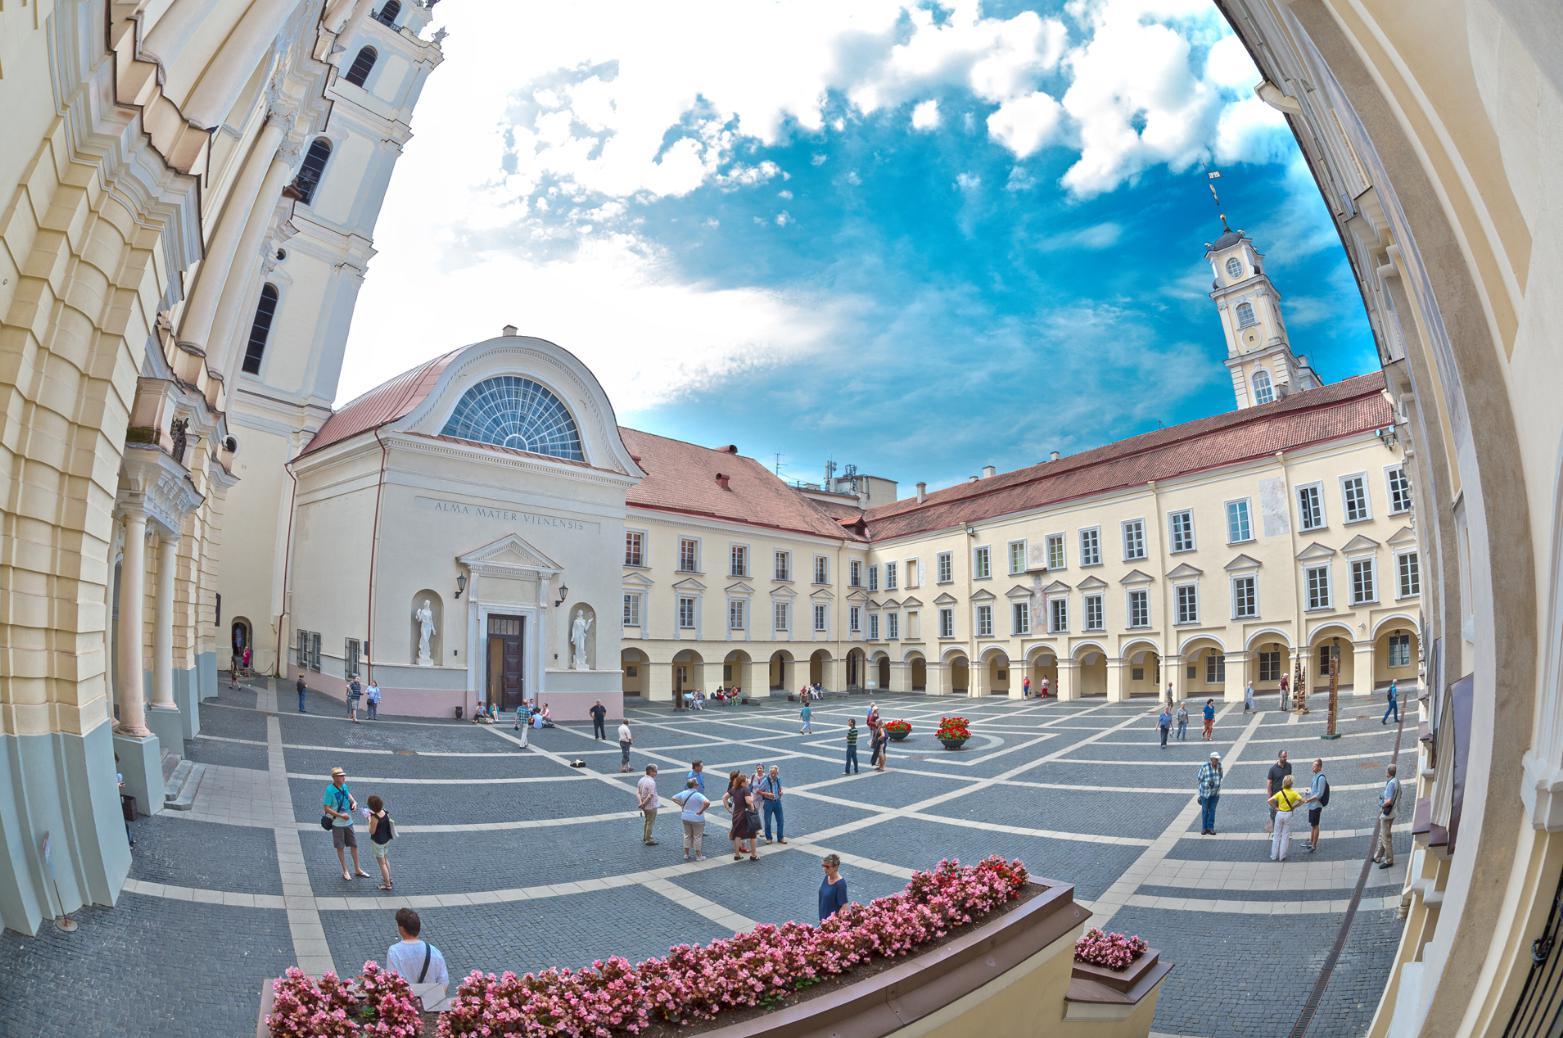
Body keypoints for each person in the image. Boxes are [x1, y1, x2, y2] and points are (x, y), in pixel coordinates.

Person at [323, 767, 369, 882]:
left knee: (354, 845)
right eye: (341, 776)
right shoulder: (329, 790)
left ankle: (357, 869)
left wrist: (354, 803)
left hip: (349, 822)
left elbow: (349, 796)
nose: (344, 777)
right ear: (334, 778)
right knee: (340, 847)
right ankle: (345, 870)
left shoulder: (344, 786)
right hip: (337, 824)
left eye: (344, 775)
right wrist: (340, 816)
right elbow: (326, 808)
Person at [387, 908, 449, 990]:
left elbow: (392, 982)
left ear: (401, 929)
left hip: (405, 1001)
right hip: (429, 1001)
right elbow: (444, 984)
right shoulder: (435, 952)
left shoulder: (394, 952)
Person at [1268, 775, 1305, 861]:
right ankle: (1282, 856)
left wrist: (1275, 808)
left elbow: (1269, 801)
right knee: (1285, 835)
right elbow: (1303, 801)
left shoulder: (1280, 793)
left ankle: (1273, 855)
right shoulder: (1294, 793)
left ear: (1283, 783)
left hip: (1279, 813)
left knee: (1276, 835)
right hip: (1288, 814)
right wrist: (1295, 806)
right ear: (1291, 784)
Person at [672, 777, 709, 861]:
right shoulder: (698, 795)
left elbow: (673, 798)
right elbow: (707, 802)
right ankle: (698, 856)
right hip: (697, 818)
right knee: (697, 836)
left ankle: (686, 854)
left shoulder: (683, 793)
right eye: (697, 783)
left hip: (685, 817)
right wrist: (701, 811)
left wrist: (681, 804)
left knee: (687, 835)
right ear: (695, 785)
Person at [725, 774, 759, 861]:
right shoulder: (745, 790)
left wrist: (728, 809)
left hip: (736, 814)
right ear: (743, 782)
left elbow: (724, 798)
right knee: (753, 835)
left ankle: (737, 855)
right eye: (746, 780)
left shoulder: (733, 789)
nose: (748, 781)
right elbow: (748, 801)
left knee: (737, 835)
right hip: (745, 815)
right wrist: (752, 803)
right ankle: (754, 855)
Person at [1375, 764, 1401, 869]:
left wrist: (1382, 804)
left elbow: (1389, 800)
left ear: (1388, 772)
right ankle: (1377, 856)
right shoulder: (1396, 781)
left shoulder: (1391, 784)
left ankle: (1389, 860)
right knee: (1382, 834)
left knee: (1386, 837)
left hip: (1387, 814)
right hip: (1393, 812)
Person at [366, 794, 394, 890]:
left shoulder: (374, 817)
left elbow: (371, 831)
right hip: (386, 840)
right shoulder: (385, 812)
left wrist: (369, 820)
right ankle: (389, 879)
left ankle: (387, 885)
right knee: (386, 860)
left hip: (378, 842)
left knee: (382, 864)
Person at [1304, 758, 1329, 853]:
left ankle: (1314, 845)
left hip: (1316, 805)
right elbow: (1314, 790)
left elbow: (1319, 794)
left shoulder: (1321, 778)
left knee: (1316, 825)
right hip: (1312, 804)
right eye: (1312, 765)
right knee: (1313, 825)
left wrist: (1309, 799)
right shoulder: (1315, 775)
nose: (1312, 767)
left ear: (1319, 767)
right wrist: (1308, 793)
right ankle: (1311, 841)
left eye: (1314, 766)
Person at [1266, 751, 1293, 834]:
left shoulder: (1289, 766)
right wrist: (1269, 796)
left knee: (1285, 814)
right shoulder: (1273, 769)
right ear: (1279, 757)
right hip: (1276, 796)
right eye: (1283, 757)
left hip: (1285, 796)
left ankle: (1284, 832)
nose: (1285, 758)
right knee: (1274, 815)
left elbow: (1289, 779)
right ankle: (1275, 832)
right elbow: (1269, 783)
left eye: (1286, 757)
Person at [758, 765, 785, 845]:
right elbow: (758, 791)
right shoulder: (765, 780)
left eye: (774, 773)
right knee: (768, 821)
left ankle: (780, 837)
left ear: (777, 773)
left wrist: (781, 791)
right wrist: (767, 794)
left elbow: (780, 787)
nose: (773, 775)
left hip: (777, 802)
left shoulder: (778, 779)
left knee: (780, 821)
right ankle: (769, 838)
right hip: (768, 802)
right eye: (771, 773)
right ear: (769, 772)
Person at [1197, 752, 1223, 834]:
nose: (1217, 760)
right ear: (1211, 759)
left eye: (1217, 759)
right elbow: (1199, 778)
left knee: (1212, 810)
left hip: (1215, 793)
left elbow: (1221, 776)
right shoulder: (1205, 767)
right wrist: (1206, 784)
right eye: (1215, 759)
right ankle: (1204, 828)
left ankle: (1211, 827)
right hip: (1205, 793)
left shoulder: (1219, 766)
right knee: (1205, 810)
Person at [819, 854, 848, 921]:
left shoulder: (840, 884)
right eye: (823, 866)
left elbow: (844, 907)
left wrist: (833, 924)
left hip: (830, 925)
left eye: (827, 867)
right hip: (823, 920)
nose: (824, 869)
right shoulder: (827, 877)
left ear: (835, 867)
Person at [636, 764, 659, 846]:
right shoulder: (651, 782)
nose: (656, 773)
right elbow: (650, 795)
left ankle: (645, 836)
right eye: (655, 771)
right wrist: (644, 803)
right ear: (651, 772)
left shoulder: (641, 779)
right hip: (651, 806)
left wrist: (641, 803)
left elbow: (638, 792)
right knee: (650, 822)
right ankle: (648, 839)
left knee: (647, 821)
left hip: (644, 806)